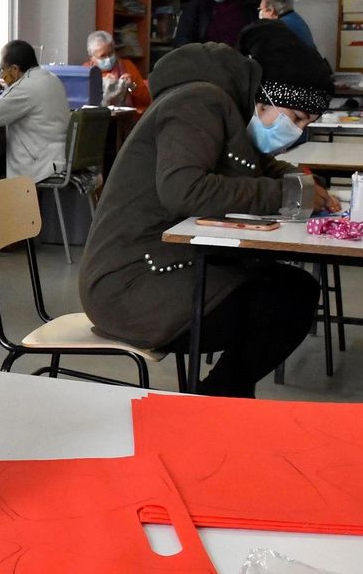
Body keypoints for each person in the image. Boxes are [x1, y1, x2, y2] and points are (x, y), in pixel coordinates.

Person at [80, 22, 336, 398]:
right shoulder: (197, 104)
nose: (295, 132)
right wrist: (287, 193)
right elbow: (184, 189)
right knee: (283, 303)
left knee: (291, 289)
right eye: (295, 118)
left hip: (165, 264)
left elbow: (257, 166)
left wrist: (302, 184)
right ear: (264, 99)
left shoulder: (228, 104)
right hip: (130, 284)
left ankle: (221, 398)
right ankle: (216, 400)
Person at [0, 40, 70, 183]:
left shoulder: (27, 87)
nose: (3, 75)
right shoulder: (51, 78)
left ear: (15, 69)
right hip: (58, 159)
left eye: (3, 70)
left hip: (40, 167)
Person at [85, 30, 152, 111]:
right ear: (91, 57)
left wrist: (132, 87)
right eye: (102, 56)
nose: (108, 59)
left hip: (125, 118)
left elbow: (146, 100)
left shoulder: (127, 66)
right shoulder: (86, 72)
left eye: (110, 53)